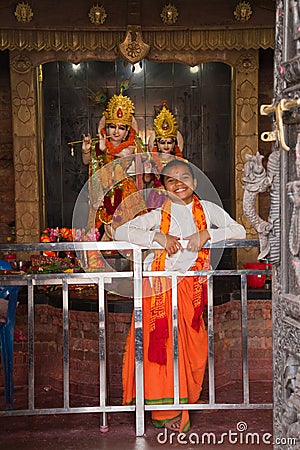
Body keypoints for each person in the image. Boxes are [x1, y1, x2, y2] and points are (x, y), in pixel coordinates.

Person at [114, 158, 246, 433]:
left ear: (194, 182)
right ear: (164, 188)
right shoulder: (157, 214)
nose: (179, 183)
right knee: (161, 346)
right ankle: (167, 411)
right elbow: (121, 231)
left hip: (192, 291)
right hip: (159, 291)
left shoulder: (208, 211)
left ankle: (184, 398)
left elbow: (240, 231)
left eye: (184, 177)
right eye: (171, 180)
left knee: (192, 346)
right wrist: (158, 239)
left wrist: (207, 235)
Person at [81, 88, 147, 240]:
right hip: (101, 192)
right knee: (97, 237)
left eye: (121, 128)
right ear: (106, 128)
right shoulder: (98, 145)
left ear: (127, 132)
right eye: (112, 126)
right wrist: (86, 150)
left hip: (124, 193)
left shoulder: (131, 145)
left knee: (128, 236)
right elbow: (87, 162)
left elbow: (126, 154)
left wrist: (107, 149)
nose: (116, 132)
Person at [144, 105, 184, 210]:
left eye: (169, 143)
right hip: (157, 197)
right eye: (162, 143)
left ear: (174, 144)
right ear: (156, 143)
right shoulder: (152, 160)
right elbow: (147, 180)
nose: (166, 146)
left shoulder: (178, 161)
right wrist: (147, 171)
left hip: (174, 196)